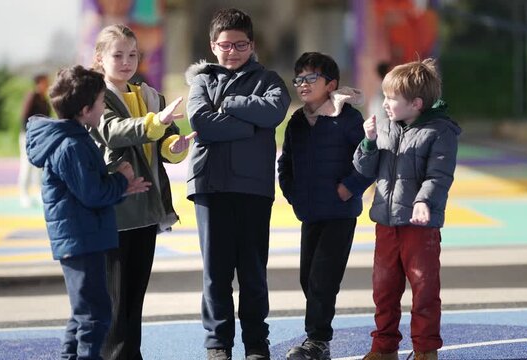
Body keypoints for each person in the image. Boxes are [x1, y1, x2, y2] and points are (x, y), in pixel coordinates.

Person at [184, 8, 291, 360]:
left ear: (253, 45)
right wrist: (248, 125)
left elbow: (273, 112)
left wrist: (228, 103)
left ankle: (256, 343)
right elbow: (202, 119)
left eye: (240, 45)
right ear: (213, 45)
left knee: (252, 272)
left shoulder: (270, 80)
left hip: (253, 188)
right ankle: (218, 343)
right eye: (226, 45)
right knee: (215, 273)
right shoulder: (200, 81)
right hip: (209, 186)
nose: (233, 52)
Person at [25, 65, 151, 360]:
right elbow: (92, 194)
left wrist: (120, 186)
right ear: (85, 109)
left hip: (84, 236)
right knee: (94, 316)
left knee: (83, 313)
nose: (103, 107)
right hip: (81, 239)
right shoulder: (71, 145)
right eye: (100, 102)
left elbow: (88, 186)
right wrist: (120, 178)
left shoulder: (76, 138)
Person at [89, 24, 195, 360]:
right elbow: (113, 131)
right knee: (115, 301)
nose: (126, 61)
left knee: (135, 298)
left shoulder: (150, 95)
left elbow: (166, 143)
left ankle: (129, 354)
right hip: (115, 211)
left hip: (147, 210)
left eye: (132, 54)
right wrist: (155, 124)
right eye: (117, 55)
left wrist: (174, 145)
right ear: (99, 59)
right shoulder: (94, 98)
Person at [354, 58, 460, 360]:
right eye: (384, 96)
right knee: (383, 290)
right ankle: (384, 347)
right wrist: (369, 143)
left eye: (391, 98)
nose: (384, 103)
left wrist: (424, 201)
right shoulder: (386, 126)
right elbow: (366, 169)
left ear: (416, 104)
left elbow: (438, 176)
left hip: (419, 227)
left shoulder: (441, 132)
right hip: (386, 225)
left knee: (424, 289)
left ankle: (425, 349)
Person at [277, 52, 374, 360]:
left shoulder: (348, 119)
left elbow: (369, 160)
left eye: (311, 78)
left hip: (340, 214)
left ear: (331, 84)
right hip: (310, 213)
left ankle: (318, 340)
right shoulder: (296, 122)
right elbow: (286, 163)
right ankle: (318, 334)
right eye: (299, 79)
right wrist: (293, 193)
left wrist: (350, 187)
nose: (302, 84)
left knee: (322, 278)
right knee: (308, 278)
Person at [18, 73, 50, 208]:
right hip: (28, 136)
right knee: (27, 164)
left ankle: (39, 193)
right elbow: (24, 117)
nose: (47, 84)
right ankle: (24, 194)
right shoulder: (32, 96)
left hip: (40, 137)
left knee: (39, 166)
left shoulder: (44, 99)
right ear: (38, 82)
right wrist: (29, 134)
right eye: (45, 82)